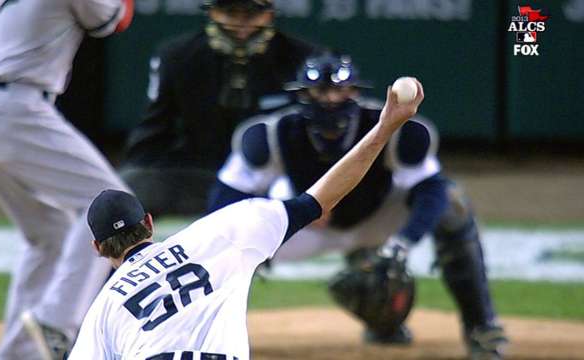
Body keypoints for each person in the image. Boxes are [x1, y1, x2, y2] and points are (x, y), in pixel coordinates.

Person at [67, 78, 424, 359]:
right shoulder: (219, 232)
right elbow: (324, 194)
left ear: (98, 247)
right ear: (147, 222)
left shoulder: (104, 307)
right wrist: (383, 130)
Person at [207, 53, 508, 359]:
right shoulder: (271, 133)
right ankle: (206, 336)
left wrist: (404, 243)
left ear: (355, 92)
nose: (330, 100)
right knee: (226, 242)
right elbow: (224, 202)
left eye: (339, 91)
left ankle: (480, 326)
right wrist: (275, 224)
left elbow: (433, 190)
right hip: (303, 226)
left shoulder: (389, 123)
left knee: (453, 203)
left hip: (376, 220)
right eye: (320, 92)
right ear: (302, 95)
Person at [0, 0, 134, 359]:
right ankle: (58, 319)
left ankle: (19, 352)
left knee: (47, 234)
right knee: (109, 199)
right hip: (17, 108)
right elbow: (115, 20)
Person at [119, 0, 319, 216]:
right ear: (212, 11)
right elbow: (150, 139)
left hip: (272, 177)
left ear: (269, 14)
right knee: (132, 183)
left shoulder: (305, 59)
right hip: (202, 176)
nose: (241, 22)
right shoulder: (177, 56)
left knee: (298, 191)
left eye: (253, 12)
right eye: (231, 11)